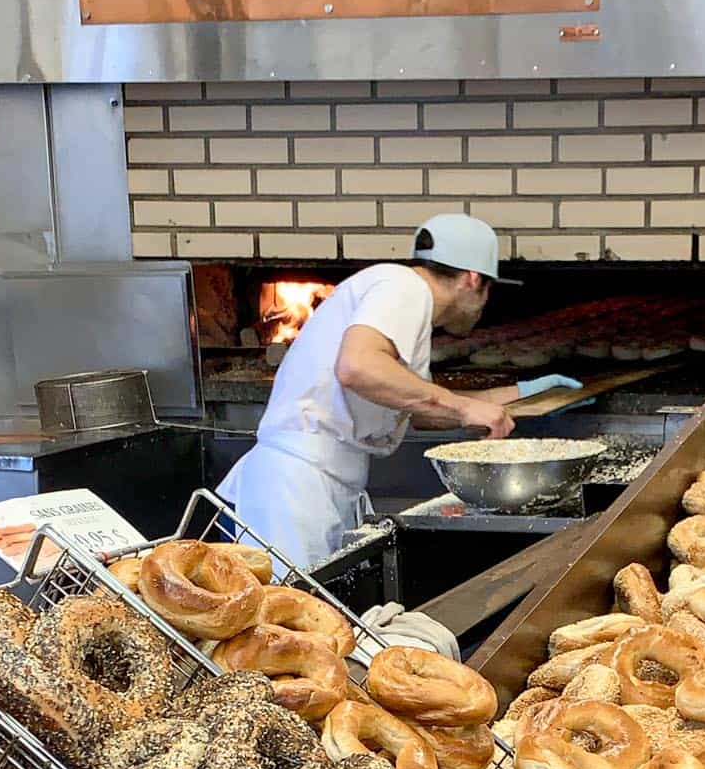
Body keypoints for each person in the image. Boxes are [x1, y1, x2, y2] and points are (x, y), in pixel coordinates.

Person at [216, 213, 522, 569]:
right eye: (490, 290)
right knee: (290, 618)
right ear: (473, 280)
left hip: (314, 484)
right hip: (292, 492)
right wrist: (465, 409)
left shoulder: (399, 295)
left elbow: (420, 408)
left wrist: (517, 394)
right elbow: (357, 366)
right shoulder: (403, 287)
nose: (486, 305)